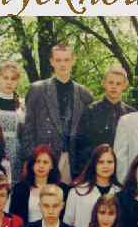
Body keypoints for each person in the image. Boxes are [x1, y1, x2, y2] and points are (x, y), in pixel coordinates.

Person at [20, 44, 93, 184]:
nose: (62, 64)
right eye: (58, 60)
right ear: (52, 62)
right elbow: (28, 128)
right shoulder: (38, 89)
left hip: (73, 159)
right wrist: (30, 159)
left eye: (66, 60)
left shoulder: (84, 93)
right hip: (44, 158)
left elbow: (87, 134)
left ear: (73, 61)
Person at [75, 64, 134, 176]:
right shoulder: (90, 111)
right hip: (94, 171)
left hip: (122, 172)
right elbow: (81, 145)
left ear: (124, 85)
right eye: (111, 82)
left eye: (118, 84)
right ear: (103, 83)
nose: (114, 87)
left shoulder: (131, 114)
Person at [64, 144, 122, 227]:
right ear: (93, 164)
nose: (105, 166)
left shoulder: (121, 193)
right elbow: (67, 224)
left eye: (110, 162)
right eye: (101, 162)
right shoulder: (77, 191)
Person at [9, 144, 68, 224]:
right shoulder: (20, 189)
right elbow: (14, 218)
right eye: (38, 161)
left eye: (45, 162)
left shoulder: (63, 189)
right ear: (32, 165)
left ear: (52, 166)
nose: (41, 166)